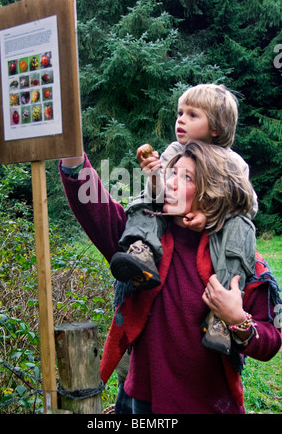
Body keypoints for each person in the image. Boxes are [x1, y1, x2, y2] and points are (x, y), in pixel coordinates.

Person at [59, 139, 281, 414]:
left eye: (186, 177)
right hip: (141, 403)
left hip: (211, 406)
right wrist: (67, 139)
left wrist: (238, 320)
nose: (172, 182)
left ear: (212, 191)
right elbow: (92, 202)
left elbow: (271, 339)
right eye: (171, 172)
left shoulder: (238, 258)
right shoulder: (141, 245)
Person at [109, 84, 258, 292]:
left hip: (218, 231)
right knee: (146, 199)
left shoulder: (232, 162)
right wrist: (153, 176)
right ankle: (141, 249)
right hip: (171, 217)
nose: (181, 119)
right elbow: (160, 195)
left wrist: (209, 215)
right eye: (180, 113)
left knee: (241, 225)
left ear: (216, 128)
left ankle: (227, 294)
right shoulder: (175, 151)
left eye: (192, 115)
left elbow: (248, 206)